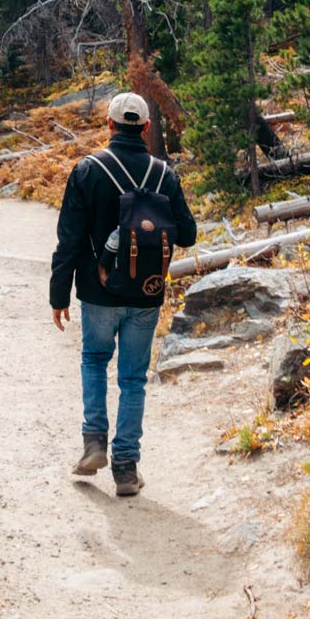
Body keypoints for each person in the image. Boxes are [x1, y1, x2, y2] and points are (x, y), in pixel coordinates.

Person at [50, 91, 197, 495]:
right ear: (147, 128)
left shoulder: (87, 170)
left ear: (110, 126)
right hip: (146, 294)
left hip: (98, 292)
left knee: (95, 361)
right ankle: (127, 469)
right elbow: (188, 234)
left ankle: (94, 442)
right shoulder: (164, 175)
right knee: (133, 380)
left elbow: (69, 240)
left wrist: (58, 294)